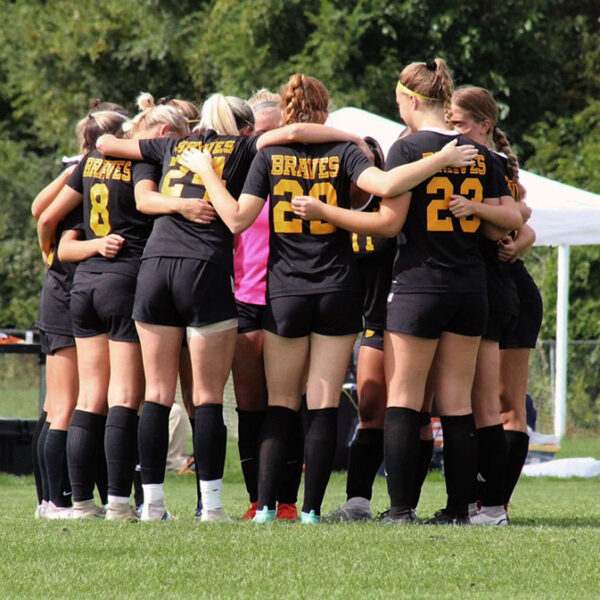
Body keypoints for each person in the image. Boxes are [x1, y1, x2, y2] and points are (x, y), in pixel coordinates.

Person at [177, 72, 479, 524]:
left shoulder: (270, 152)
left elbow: (239, 220)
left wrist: (207, 177)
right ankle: (313, 509)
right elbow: (386, 187)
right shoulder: (345, 151)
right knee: (321, 401)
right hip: (338, 287)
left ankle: (264, 508)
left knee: (280, 403)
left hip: (285, 289)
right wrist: (427, 159)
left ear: (285, 109)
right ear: (326, 112)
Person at [96, 92, 374, 521]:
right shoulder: (249, 149)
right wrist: (352, 137)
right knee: (223, 398)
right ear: (247, 130)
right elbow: (294, 133)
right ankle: (217, 505)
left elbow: (106, 145)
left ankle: (145, 504)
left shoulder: (174, 146)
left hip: (158, 266)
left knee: (157, 394)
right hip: (222, 277)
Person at [290, 60, 522, 524]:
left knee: (404, 396)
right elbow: (510, 222)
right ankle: (459, 509)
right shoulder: (481, 154)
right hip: (470, 287)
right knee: (456, 403)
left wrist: (326, 211)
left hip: (418, 286)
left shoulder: (409, 148)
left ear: (412, 101)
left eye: (399, 104)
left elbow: (388, 224)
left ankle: (399, 510)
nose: (399, 112)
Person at [38, 104, 191, 520]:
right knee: (125, 396)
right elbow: (148, 203)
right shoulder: (139, 163)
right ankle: (120, 504)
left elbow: (48, 214)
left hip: (83, 283)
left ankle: (80, 503)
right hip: (125, 281)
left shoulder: (90, 161)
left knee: (89, 398)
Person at [31, 99, 129, 519]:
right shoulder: (86, 168)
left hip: (79, 288)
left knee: (70, 403)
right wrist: (52, 257)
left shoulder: (88, 168)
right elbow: (42, 215)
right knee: (65, 404)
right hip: (67, 290)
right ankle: (55, 500)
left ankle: (56, 499)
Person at [451, 86, 542, 519]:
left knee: (506, 406)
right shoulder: (459, 161)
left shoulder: (494, 167)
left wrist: (518, 231)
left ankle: (494, 506)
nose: (452, 130)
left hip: (508, 292)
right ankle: (484, 504)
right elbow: (521, 220)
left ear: (484, 126)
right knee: (477, 404)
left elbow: (514, 222)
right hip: (486, 288)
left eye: (460, 123)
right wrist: (521, 227)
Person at [232, 89, 302, 521]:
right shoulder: (241, 175)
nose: (271, 141)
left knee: (288, 404)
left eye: (279, 131)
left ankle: (289, 501)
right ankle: (258, 500)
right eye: (263, 133)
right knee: (249, 406)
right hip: (243, 300)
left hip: (289, 299)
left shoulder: (302, 172)